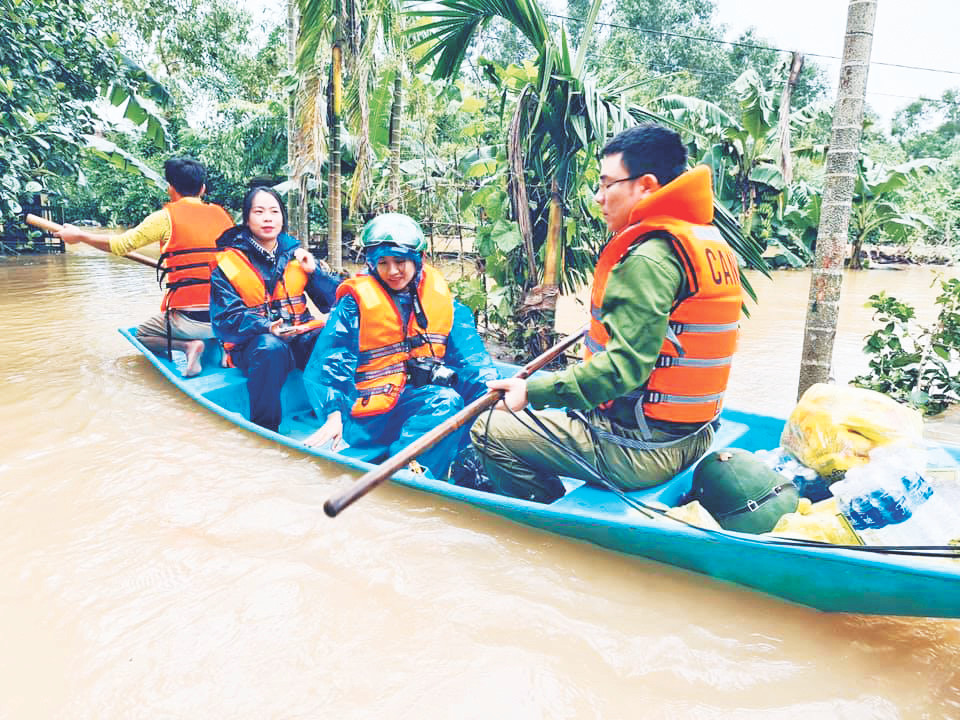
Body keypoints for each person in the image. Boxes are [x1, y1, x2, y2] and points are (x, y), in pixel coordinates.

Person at [470, 123, 743, 503]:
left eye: (606, 184)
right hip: (697, 433)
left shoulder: (650, 256)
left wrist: (531, 391)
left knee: (487, 429)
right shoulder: (705, 241)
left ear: (645, 185)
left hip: (643, 448)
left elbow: (622, 370)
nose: (599, 198)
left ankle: (548, 516)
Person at [302, 213, 498, 480]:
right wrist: (333, 412)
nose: (393, 271)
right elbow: (331, 359)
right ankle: (412, 473)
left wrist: (495, 392)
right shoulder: (354, 304)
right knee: (445, 401)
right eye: (383, 263)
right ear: (372, 264)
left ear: (419, 260)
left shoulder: (443, 302)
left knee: (478, 393)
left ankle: (465, 459)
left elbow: (472, 359)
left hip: (414, 401)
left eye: (401, 262)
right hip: (368, 415)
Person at [55, 157, 235, 376]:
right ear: (203, 188)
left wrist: (80, 235)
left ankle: (189, 346)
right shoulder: (223, 216)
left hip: (189, 321)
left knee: (142, 334)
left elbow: (120, 245)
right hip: (225, 317)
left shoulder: (164, 218)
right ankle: (226, 345)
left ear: (171, 189)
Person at [209, 186, 341, 432]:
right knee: (270, 347)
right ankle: (267, 428)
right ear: (247, 219)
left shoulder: (297, 257)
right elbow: (225, 319)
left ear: (283, 217)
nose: (268, 218)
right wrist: (267, 326)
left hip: (297, 338)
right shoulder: (228, 264)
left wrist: (316, 272)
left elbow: (335, 299)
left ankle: (334, 415)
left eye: (274, 211)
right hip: (254, 346)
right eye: (259, 212)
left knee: (328, 336)